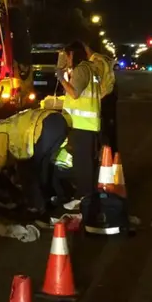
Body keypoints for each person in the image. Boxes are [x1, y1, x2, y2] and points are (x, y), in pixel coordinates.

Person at [0, 108, 71, 214]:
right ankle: (54, 198)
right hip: (58, 121)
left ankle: (36, 206)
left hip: (45, 125)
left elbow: (1, 157)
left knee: (28, 171)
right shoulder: (10, 123)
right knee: (44, 166)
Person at [57, 40, 101, 211]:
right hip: (87, 124)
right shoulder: (90, 68)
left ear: (73, 54)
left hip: (82, 125)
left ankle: (82, 198)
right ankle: (87, 196)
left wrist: (61, 78)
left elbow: (75, 93)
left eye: (67, 55)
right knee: (86, 163)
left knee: (82, 164)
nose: (66, 59)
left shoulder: (81, 69)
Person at [86, 42, 117, 152]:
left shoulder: (96, 61)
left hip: (103, 98)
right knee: (109, 130)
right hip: (108, 97)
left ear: (87, 49)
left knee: (104, 131)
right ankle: (110, 152)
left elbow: (96, 81)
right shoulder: (102, 59)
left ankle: (106, 154)